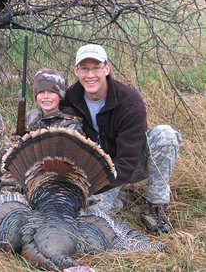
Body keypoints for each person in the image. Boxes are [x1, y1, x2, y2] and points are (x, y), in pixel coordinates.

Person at [61, 44, 182, 234]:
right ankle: (120, 197)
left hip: (126, 165)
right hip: (92, 171)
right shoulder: (69, 98)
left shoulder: (129, 100)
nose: (90, 75)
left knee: (165, 135)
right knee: (91, 215)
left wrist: (100, 186)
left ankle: (155, 206)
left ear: (107, 68)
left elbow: (128, 160)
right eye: (84, 68)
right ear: (76, 70)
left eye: (96, 68)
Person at [26, 68, 84, 134]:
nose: (46, 96)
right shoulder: (29, 117)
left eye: (51, 92)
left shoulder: (70, 124)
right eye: (41, 92)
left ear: (60, 96)